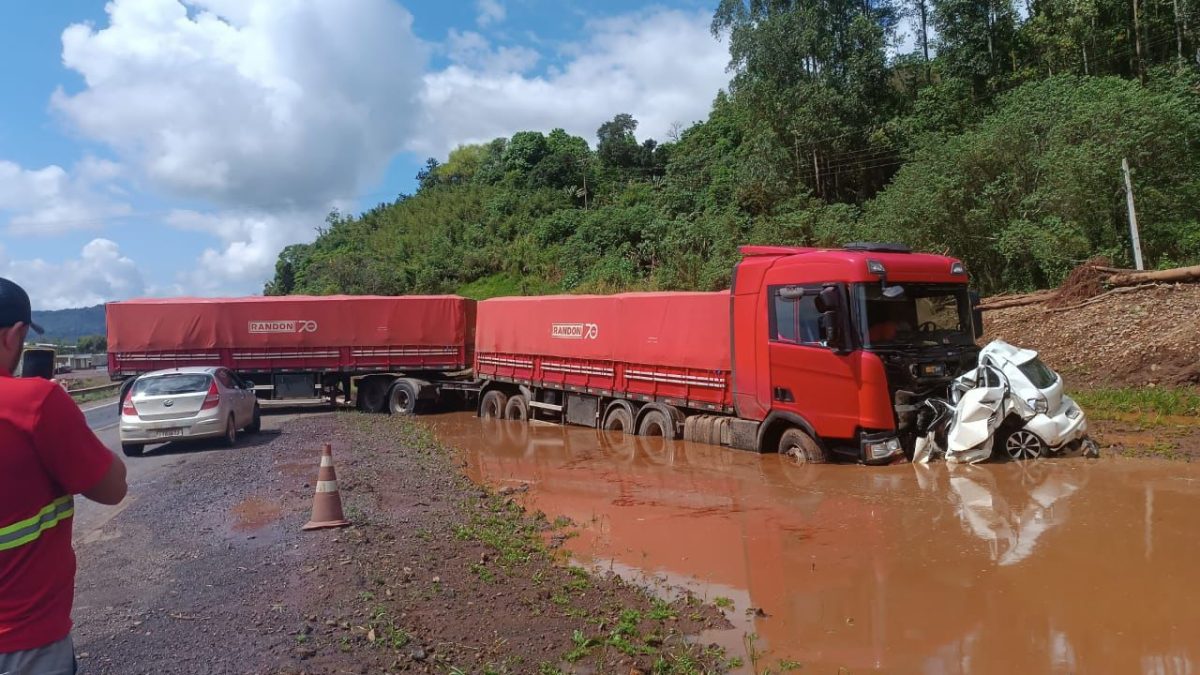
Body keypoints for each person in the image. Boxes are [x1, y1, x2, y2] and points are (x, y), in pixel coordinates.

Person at [0, 278, 127, 675]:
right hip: (24, 641)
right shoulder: (35, 404)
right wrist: (64, 418)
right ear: (16, 336)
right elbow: (112, 488)